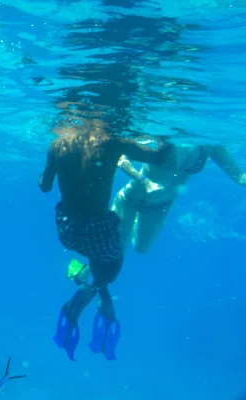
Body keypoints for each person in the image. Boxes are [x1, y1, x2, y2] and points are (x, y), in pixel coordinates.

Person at [38, 127, 173, 361]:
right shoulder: (114, 142)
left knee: (94, 249)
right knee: (110, 264)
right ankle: (88, 300)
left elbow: (44, 186)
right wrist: (166, 137)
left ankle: (86, 292)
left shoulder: (58, 144)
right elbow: (159, 156)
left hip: (67, 227)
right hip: (97, 227)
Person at [111, 143, 246, 253]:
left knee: (141, 248)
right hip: (131, 199)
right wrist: (141, 179)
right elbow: (120, 157)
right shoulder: (159, 133)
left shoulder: (211, 144)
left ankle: (129, 225)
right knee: (115, 253)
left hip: (160, 205)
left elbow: (239, 176)